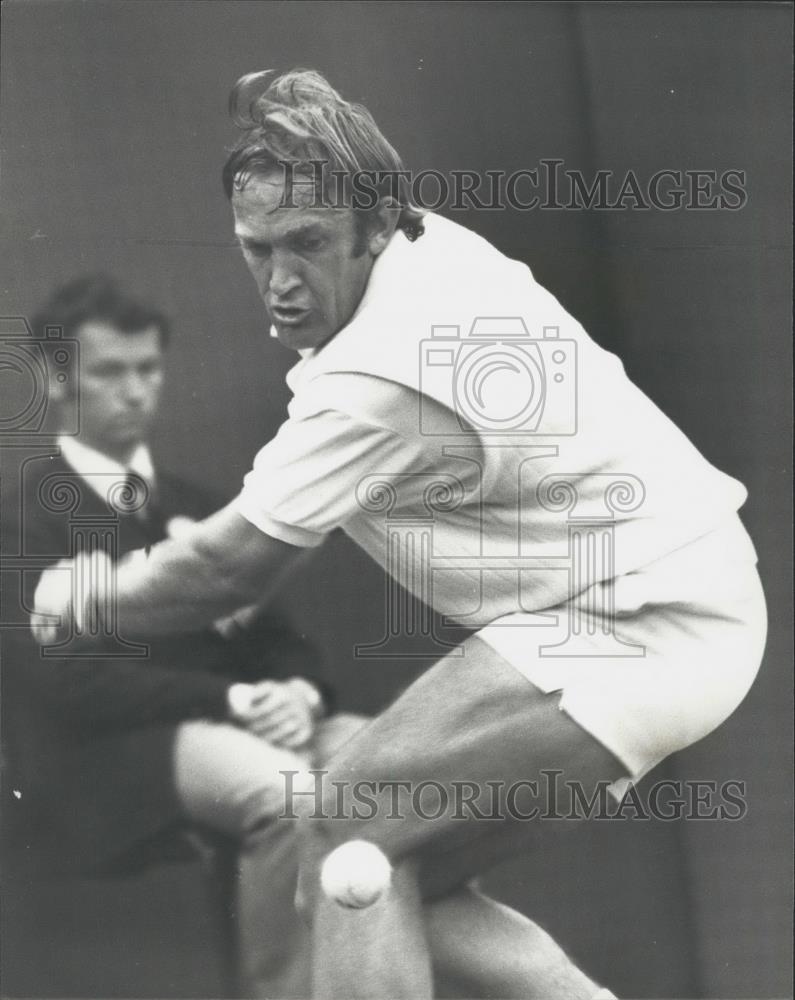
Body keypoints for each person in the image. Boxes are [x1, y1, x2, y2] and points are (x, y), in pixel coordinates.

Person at [32, 71, 767, 999]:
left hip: (640, 620)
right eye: (256, 249)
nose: (282, 281)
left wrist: (86, 594)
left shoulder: (377, 380)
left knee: (346, 822)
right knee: (384, 872)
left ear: (378, 227)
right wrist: (277, 96)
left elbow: (227, 569)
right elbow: (332, 133)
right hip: (678, 605)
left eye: (306, 244)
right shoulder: (426, 243)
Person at [2, 274, 363, 998]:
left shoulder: (200, 506)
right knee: (289, 799)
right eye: (109, 371)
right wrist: (232, 698)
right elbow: (64, 682)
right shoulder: (24, 517)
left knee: (386, 765)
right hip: (100, 758)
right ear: (57, 380)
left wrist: (294, 691)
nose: (135, 391)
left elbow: (277, 634)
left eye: (148, 369)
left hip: (230, 724)